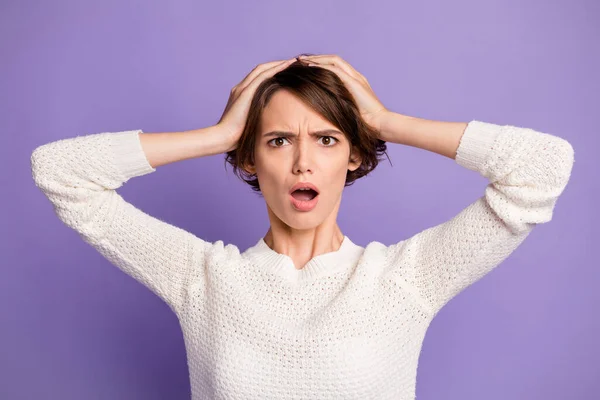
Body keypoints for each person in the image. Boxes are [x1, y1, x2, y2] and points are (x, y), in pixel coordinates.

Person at [30, 54, 575, 400]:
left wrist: (385, 123)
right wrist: (219, 135)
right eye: (278, 140)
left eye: (327, 139)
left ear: (354, 158)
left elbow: (541, 168)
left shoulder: (405, 279)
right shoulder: (201, 279)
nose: (302, 163)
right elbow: (60, 172)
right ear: (250, 162)